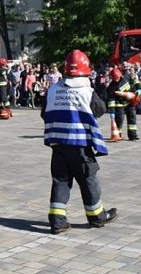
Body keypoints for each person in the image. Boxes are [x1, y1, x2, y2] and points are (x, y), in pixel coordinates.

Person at [41, 49, 118, 234]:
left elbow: (44, 113)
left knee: (60, 180)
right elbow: (100, 110)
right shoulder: (86, 91)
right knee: (88, 179)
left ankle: (57, 221)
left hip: (58, 144)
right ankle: (97, 217)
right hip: (80, 145)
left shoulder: (52, 90)